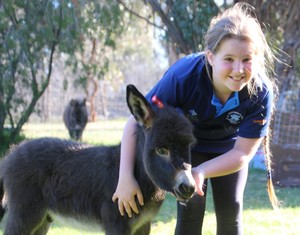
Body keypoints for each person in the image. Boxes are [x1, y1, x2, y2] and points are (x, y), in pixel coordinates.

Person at [112, 2, 280, 235]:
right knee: (191, 211)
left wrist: (201, 172)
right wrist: (125, 177)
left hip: (229, 151)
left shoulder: (260, 92)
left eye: (246, 59)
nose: (239, 69)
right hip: (190, 148)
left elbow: (242, 153)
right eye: (229, 59)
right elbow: (136, 121)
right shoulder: (183, 77)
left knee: (231, 210)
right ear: (210, 57)